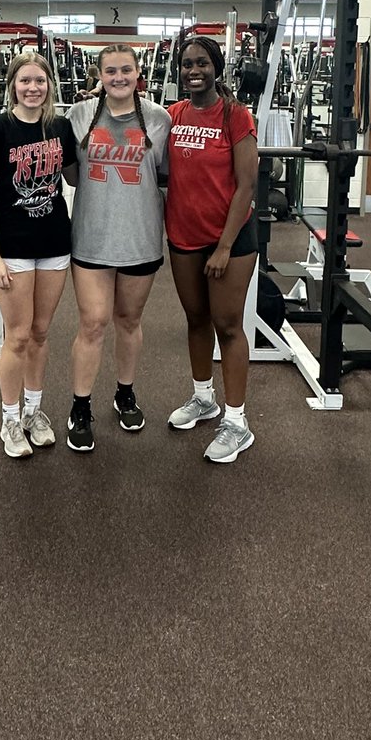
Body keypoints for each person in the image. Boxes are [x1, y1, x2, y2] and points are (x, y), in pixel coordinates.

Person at [65, 46, 171, 452]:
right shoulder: (79, 115)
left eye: (126, 69)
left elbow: (163, 176)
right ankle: (80, 406)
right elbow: (71, 175)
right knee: (93, 323)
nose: (119, 77)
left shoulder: (159, 119)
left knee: (128, 321)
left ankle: (125, 393)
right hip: (92, 236)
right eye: (111, 71)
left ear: (138, 72)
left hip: (140, 238)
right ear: (100, 75)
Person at [0, 51, 77, 459]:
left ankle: (33, 412)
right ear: (13, 85)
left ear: (50, 85)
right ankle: (10, 419)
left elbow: (74, 176)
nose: (33, 88)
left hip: (54, 244)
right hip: (12, 247)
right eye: (25, 81)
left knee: (41, 332)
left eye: (40, 81)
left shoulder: (61, 128)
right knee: (16, 335)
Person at [164, 36, 259, 464]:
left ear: (216, 68)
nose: (193, 71)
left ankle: (237, 422)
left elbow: (247, 185)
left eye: (201, 63)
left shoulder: (236, 116)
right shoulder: (173, 115)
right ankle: (204, 398)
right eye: (187, 64)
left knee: (228, 325)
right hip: (183, 236)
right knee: (196, 318)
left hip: (230, 240)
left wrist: (223, 247)